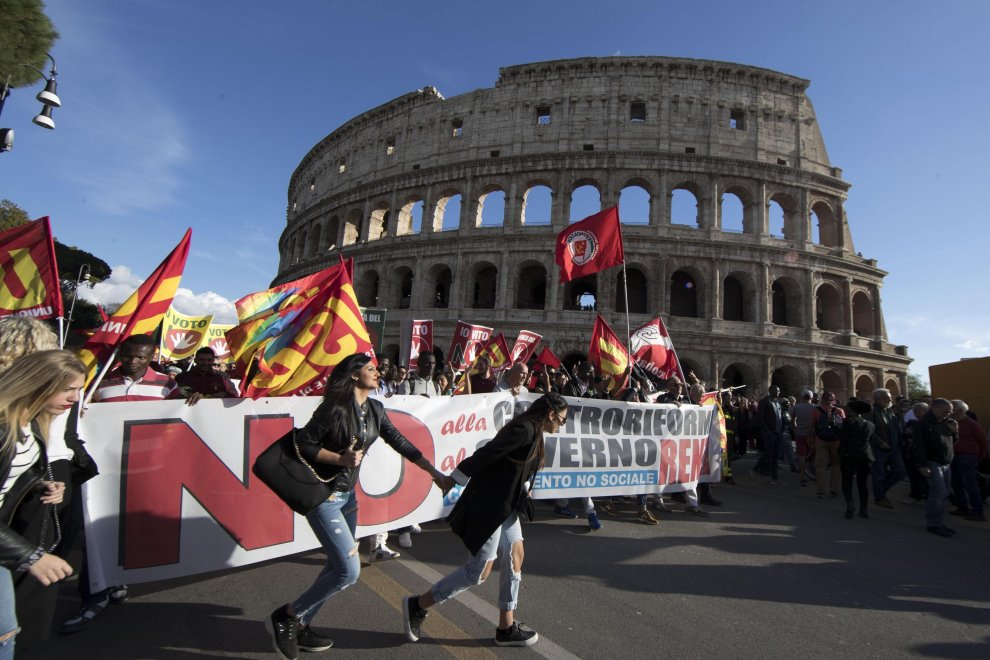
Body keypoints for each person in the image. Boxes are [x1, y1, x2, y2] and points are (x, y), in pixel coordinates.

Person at [266, 354, 453, 660]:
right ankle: (287, 616)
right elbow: (304, 444)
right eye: (370, 369)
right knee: (349, 571)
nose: (377, 372)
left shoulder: (376, 409)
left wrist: (434, 473)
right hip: (324, 496)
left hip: (348, 498)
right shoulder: (334, 407)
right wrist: (339, 459)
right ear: (354, 375)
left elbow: (399, 441)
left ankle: (302, 624)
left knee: (334, 566)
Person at [402, 393, 568, 648]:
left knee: (516, 557)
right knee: (477, 572)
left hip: (507, 506)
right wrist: (453, 478)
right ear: (549, 414)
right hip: (490, 507)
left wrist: (523, 487)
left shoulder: (534, 433)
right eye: (562, 419)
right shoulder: (524, 429)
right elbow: (487, 454)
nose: (561, 424)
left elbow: (515, 467)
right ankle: (418, 604)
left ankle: (506, 627)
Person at [60, 334, 177, 634]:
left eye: (141, 356)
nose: (133, 361)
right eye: (129, 355)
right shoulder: (99, 382)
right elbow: (77, 413)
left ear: (152, 355)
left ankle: (114, 578)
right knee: (96, 529)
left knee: (129, 529)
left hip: (145, 470)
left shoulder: (168, 385)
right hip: (103, 469)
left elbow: (183, 421)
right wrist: (80, 410)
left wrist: (196, 402)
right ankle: (93, 594)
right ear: (120, 353)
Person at [0, 350, 80, 658]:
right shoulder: (4, 428)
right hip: (11, 549)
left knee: (6, 634)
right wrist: (32, 556)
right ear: (37, 383)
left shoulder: (30, 424)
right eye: (67, 389)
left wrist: (37, 483)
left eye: (78, 390)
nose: (74, 398)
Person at [913, 399, 957, 538]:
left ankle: (938, 521)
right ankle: (933, 524)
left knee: (943, 493)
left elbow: (952, 442)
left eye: (950, 411)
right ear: (935, 409)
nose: (948, 414)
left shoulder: (946, 423)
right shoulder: (923, 424)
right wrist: (922, 465)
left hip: (946, 463)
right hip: (932, 462)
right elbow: (918, 446)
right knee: (938, 492)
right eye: (946, 411)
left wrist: (955, 432)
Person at [948, 400, 987, 522]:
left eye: (951, 407)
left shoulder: (971, 424)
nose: (949, 409)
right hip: (953, 456)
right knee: (956, 483)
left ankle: (977, 511)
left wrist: (981, 455)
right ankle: (962, 507)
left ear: (960, 410)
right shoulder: (949, 422)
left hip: (968, 456)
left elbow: (982, 440)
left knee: (969, 484)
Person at [839, 400, 875, 519]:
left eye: (848, 408)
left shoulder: (848, 422)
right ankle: (864, 510)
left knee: (847, 482)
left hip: (850, 455)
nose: (846, 410)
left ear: (853, 411)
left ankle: (850, 505)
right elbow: (871, 441)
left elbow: (843, 438)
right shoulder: (870, 424)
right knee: (862, 484)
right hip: (865, 456)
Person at [170, 346, 239, 404]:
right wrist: (188, 395)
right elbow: (173, 396)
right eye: (201, 360)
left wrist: (217, 396)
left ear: (213, 361)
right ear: (195, 360)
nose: (205, 363)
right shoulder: (182, 377)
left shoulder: (222, 377)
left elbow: (234, 395)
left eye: (209, 360)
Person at [813, 392, 846, 498]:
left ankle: (821, 490)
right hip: (836, 441)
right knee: (837, 465)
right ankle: (833, 487)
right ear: (834, 400)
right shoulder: (839, 411)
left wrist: (810, 438)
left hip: (821, 441)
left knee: (820, 466)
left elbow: (812, 426)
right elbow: (843, 427)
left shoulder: (816, 410)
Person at [792, 390, 816, 486]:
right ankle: (815, 474)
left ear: (802, 397)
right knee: (814, 455)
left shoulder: (796, 407)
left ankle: (802, 478)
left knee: (801, 457)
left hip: (800, 434)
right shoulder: (815, 408)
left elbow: (793, 420)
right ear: (811, 398)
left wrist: (795, 429)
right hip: (811, 434)